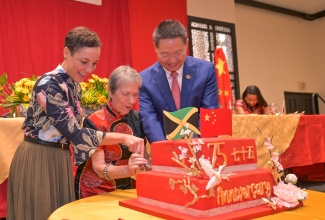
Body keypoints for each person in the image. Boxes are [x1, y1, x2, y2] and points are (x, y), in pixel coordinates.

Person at [7, 27, 146, 220]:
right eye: (84, 62)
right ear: (66, 52)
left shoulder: (74, 86)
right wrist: (123, 137)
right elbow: (76, 133)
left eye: (94, 63)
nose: (89, 70)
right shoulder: (49, 84)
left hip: (60, 158)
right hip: (40, 157)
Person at [75, 65, 150, 199]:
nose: (131, 101)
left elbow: (144, 156)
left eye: (135, 95)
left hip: (126, 190)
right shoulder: (94, 121)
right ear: (110, 92)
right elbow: (99, 169)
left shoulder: (137, 118)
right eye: (125, 94)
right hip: (95, 192)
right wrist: (128, 170)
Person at [139, 19, 219, 144]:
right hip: (164, 147)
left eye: (178, 53)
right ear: (155, 47)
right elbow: (149, 118)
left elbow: (210, 111)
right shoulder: (144, 79)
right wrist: (165, 149)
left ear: (186, 44)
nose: (172, 60)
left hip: (200, 146)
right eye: (165, 54)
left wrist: (194, 147)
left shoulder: (205, 71)